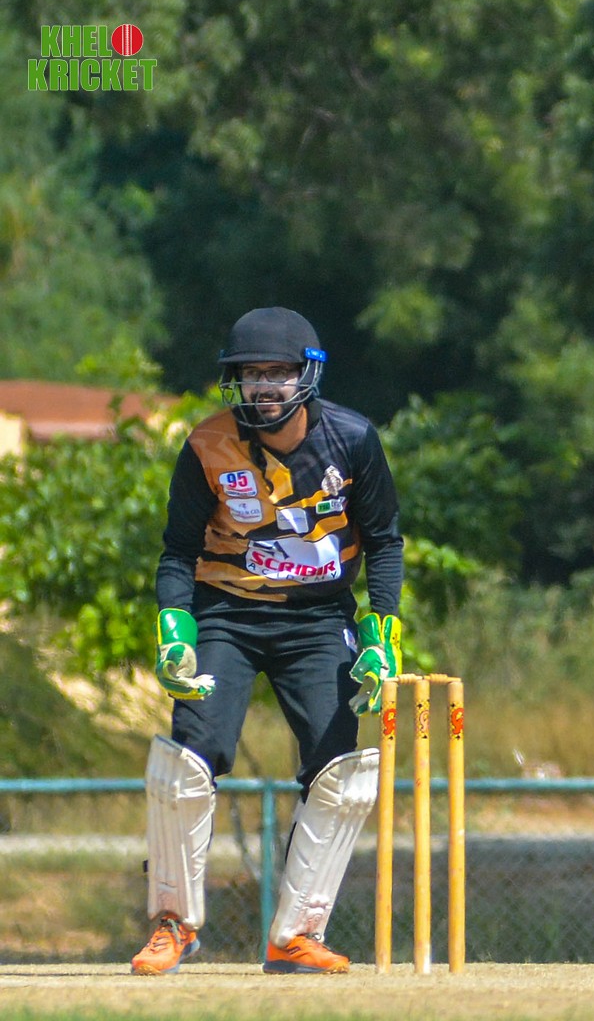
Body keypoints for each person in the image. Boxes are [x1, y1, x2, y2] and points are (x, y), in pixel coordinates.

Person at [132, 307, 405, 975]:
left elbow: (384, 541)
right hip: (226, 610)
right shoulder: (207, 445)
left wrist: (381, 634)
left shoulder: (353, 440)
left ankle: (296, 934)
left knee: (340, 773)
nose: (263, 385)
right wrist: (176, 630)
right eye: (250, 373)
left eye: (277, 372)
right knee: (188, 760)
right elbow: (178, 553)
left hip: (319, 616)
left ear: (306, 376)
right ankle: (174, 924)